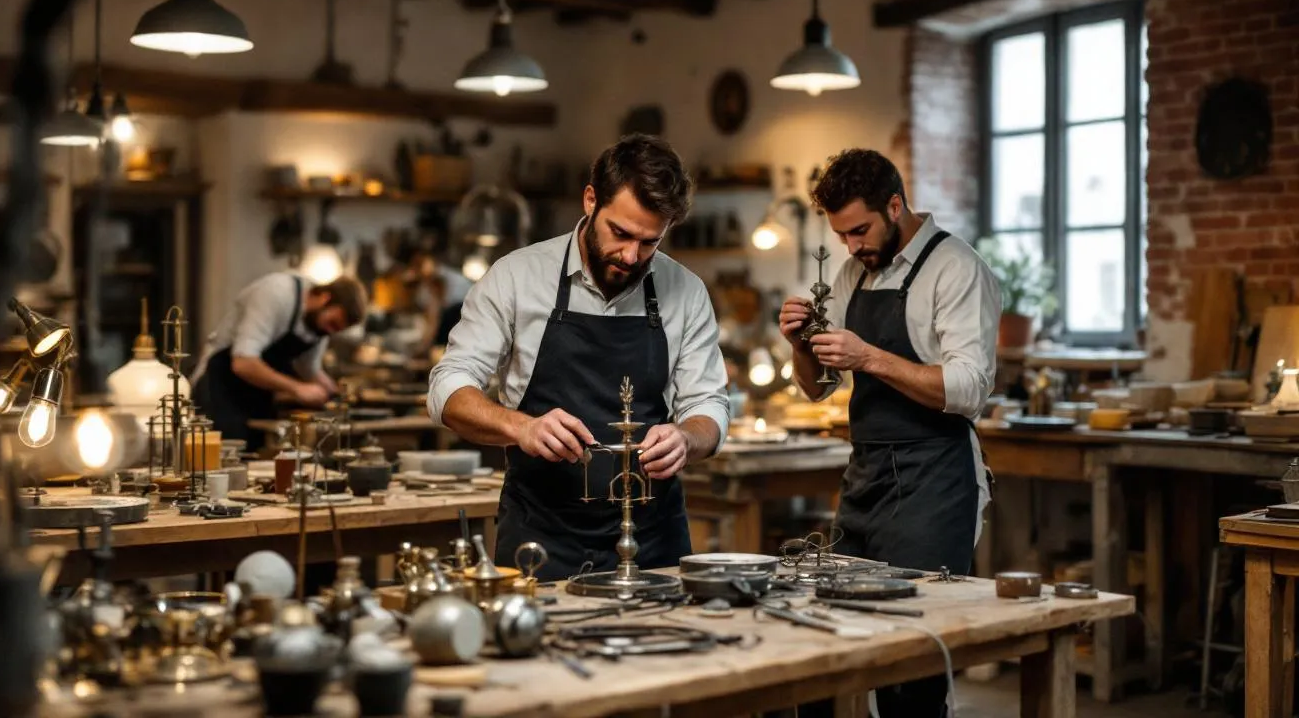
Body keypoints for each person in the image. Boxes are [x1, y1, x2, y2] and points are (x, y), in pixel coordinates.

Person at [427, 134, 731, 579]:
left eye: (650, 242)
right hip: (542, 536)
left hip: (653, 539)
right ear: (591, 200)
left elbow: (708, 405)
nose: (631, 256)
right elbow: (446, 388)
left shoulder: (685, 291)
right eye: (621, 233)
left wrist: (687, 439)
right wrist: (522, 427)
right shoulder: (516, 278)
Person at [779, 149, 1000, 718]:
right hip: (867, 478)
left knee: (911, 666)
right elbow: (817, 389)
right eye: (841, 234)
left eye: (859, 229)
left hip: (935, 482)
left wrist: (871, 357)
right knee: (826, 635)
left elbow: (971, 388)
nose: (851, 246)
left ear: (895, 205)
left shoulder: (956, 267)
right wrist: (800, 345)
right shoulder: (854, 272)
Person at [193, 272, 368, 445]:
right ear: (325, 298)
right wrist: (298, 389)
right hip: (219, 385)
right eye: (332, 323)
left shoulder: (317, 323)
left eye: (336, 330)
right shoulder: (276, 295)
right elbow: (243, 363)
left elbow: (308, 369)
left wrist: (335, 392)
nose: (330, 332)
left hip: (255, 394)